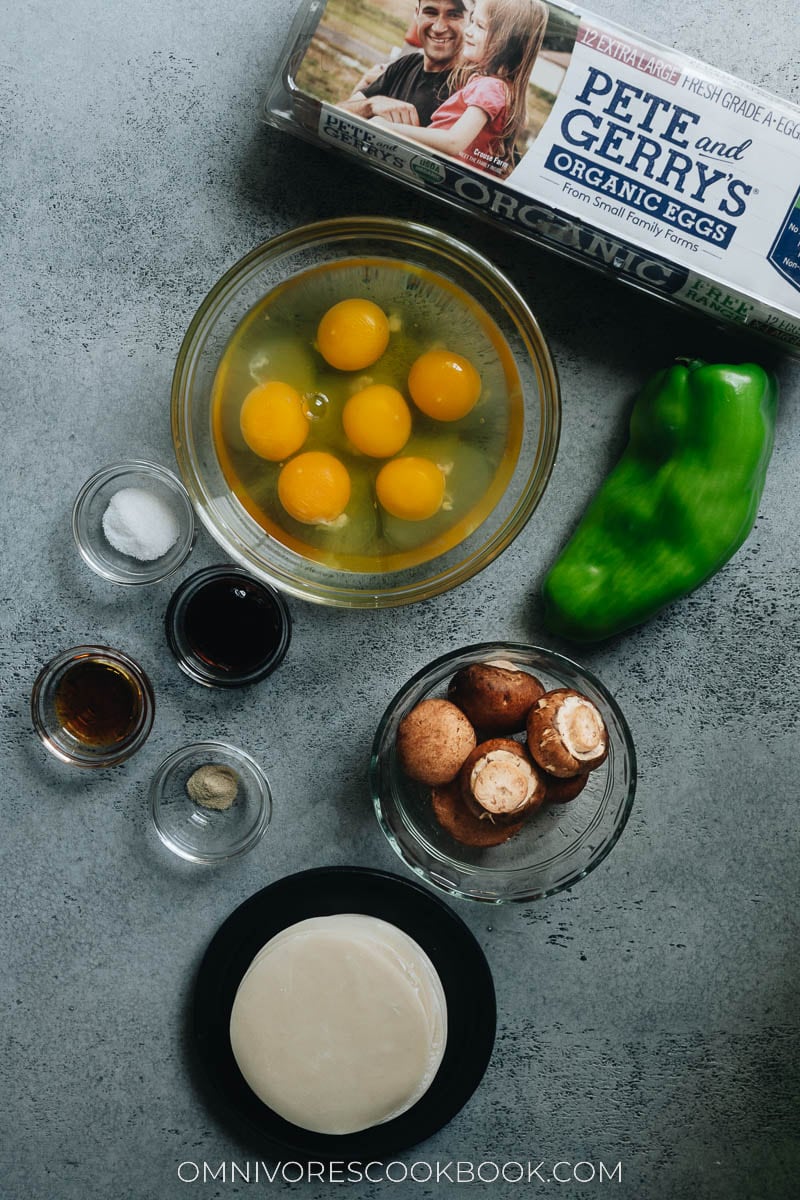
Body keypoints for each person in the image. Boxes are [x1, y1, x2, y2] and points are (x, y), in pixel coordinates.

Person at [373, 0, 548, 177]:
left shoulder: (491, 88)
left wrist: (389, 128)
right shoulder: (495, 86)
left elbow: (454, 141)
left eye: (480, 26)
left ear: (508, 42)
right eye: (471, 21)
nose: (468, 31)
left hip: (436, 175)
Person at [339, 1, 470, 128]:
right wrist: (369, 106)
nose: (438, 27)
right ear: (417, 14)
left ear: (472, 21)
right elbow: (336, 113)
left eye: (454, 15)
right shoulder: (407, 63)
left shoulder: (470, 91)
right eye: (431, 12)